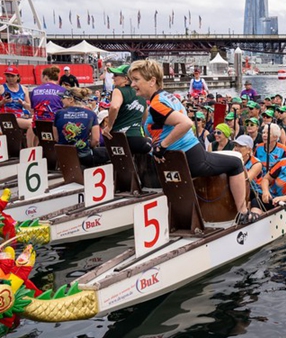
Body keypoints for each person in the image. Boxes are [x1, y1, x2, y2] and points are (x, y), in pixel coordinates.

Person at [130, 59, 254, 221]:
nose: (132, 84)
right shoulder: (165, 97)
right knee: (236, 163)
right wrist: (162, 146)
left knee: (235, 163)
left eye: (136, 79)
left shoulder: (157, 103)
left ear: (152, 81)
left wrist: (162, 147)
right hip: (188, 157)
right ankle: (243, 212)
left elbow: (185, 124)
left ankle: (242, 214)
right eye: (132, 80)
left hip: (186, 158)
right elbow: (185, 123)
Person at [102, 64, 151, 154]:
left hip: (120, 139)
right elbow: (146, 119)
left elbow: (114, 107)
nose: (113, 78)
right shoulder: (141, 94)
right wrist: (146, 136)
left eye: (116, 75)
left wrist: (109, 126)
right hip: (138, 140)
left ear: (126, 78)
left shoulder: (119, 90)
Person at [53, 88, 107, 167]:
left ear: (71, 99)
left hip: (64, 156)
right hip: (84, 156)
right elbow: (95, 140)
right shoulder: (91, 114)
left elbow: (56, 138)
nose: (61, 100)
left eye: (63, 98)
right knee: (109, 152)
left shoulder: (59, 114)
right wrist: (89, 146)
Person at [232, 135, 265, 213]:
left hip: (255, 192)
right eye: (236, 146)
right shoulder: (233, 161)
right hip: (240, 189)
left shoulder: (256, 163)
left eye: (240, 146)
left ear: (249, 150)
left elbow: (246, 180)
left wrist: (239, 162)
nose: (236, 149)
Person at [0, 66, 32, 130]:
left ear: (17, 77)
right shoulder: (1, 88)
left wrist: (23, 103)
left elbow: (29, 107)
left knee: (38, 123)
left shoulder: (24, 89)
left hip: (21, 115)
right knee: (31, 124)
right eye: (8, 76)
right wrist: (3, 102)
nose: (10, 78)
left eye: (12, 76)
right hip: (7, 116)